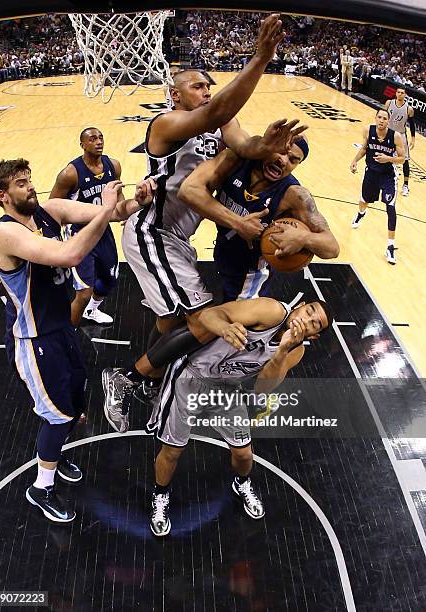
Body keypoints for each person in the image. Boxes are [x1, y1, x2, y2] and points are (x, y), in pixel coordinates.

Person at [103, 14, 306, 411]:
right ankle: (128, 379)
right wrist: (261, 58)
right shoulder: (165, 124)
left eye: (210, 87)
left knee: (171, 324)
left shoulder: (219, 124)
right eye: (198, 86)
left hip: (177, 239)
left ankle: (148, 379)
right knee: (202, 319)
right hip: (152, 233)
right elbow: (211, 117)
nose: (206, 92)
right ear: (175, 95)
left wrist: (266, 146)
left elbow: (244, 145)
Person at [0, 158, 154, 523]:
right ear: (3, 196)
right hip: (35, 338)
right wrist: (108, 210)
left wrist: (136, 199)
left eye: (29, 179)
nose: (30, 186)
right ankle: (41, 488)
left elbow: (110, 213)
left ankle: (55, 454)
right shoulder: (5, 234)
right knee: (59, 416)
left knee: (74, 403)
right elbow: (70, 253)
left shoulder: (51, 210)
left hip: (61, 328)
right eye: (20, 183)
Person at [147, 296, 333, 536]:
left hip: (227, 388)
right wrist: (225, 329)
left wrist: (282, 351)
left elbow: (262, 389)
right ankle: (160, 495)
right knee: (173, 450)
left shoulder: (295, 351)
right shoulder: (270, 311)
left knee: (244, 454)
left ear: (314, 336)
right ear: (300, 306)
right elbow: (208, 315)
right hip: (190, 376)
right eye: (309, 311)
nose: (306, 320)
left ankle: (241, 483)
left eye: (315, 323)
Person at [178, 133, 339, 302]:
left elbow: (332, 248)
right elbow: (188, 191)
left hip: (249, 272)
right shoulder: (236, 161)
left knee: (233, 322)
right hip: (222, 250)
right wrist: (238, 223)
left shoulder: (295, 195)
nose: (283, 161)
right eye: (282, 151)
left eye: (293, 160)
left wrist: (303, 238)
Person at [50, 127, 124, 326]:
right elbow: (52, 206)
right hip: (78, 234)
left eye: (101, 137)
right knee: (83, 293)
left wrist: (125, 214)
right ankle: (69, 337)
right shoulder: (70, 173)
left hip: (103, 230)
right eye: (92, 139)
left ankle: (91, 310)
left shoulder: (113, 165)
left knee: (110, 281)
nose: (98, 141)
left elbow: (118, 194)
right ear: (82, 144)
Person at [350, 108, 405, 265]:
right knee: (364, 200)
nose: (381, 120)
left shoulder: (396, 136)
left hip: (388, 176)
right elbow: (364, 149)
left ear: (389, 121)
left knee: (390, 207)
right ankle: (361, 213)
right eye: (379, 117)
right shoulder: (368, 130)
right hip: (371, 173)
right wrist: (354, 160)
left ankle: (390, 246)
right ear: (375, 118)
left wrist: (388, 158)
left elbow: (401, 159)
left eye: (384, 118)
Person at [384, 86, 415, 196]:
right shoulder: (389, 103)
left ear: (405, 95)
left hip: (401, 135)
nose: (400, 94)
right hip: (388, 133)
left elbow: (412, 124)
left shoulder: (409, 109)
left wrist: (413, 138)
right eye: (398, 92)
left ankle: (405, 185)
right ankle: (384, 180)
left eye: (402, 93)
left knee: (405, 160)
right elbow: (383, 117)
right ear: (396, 93)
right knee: (384, 156)